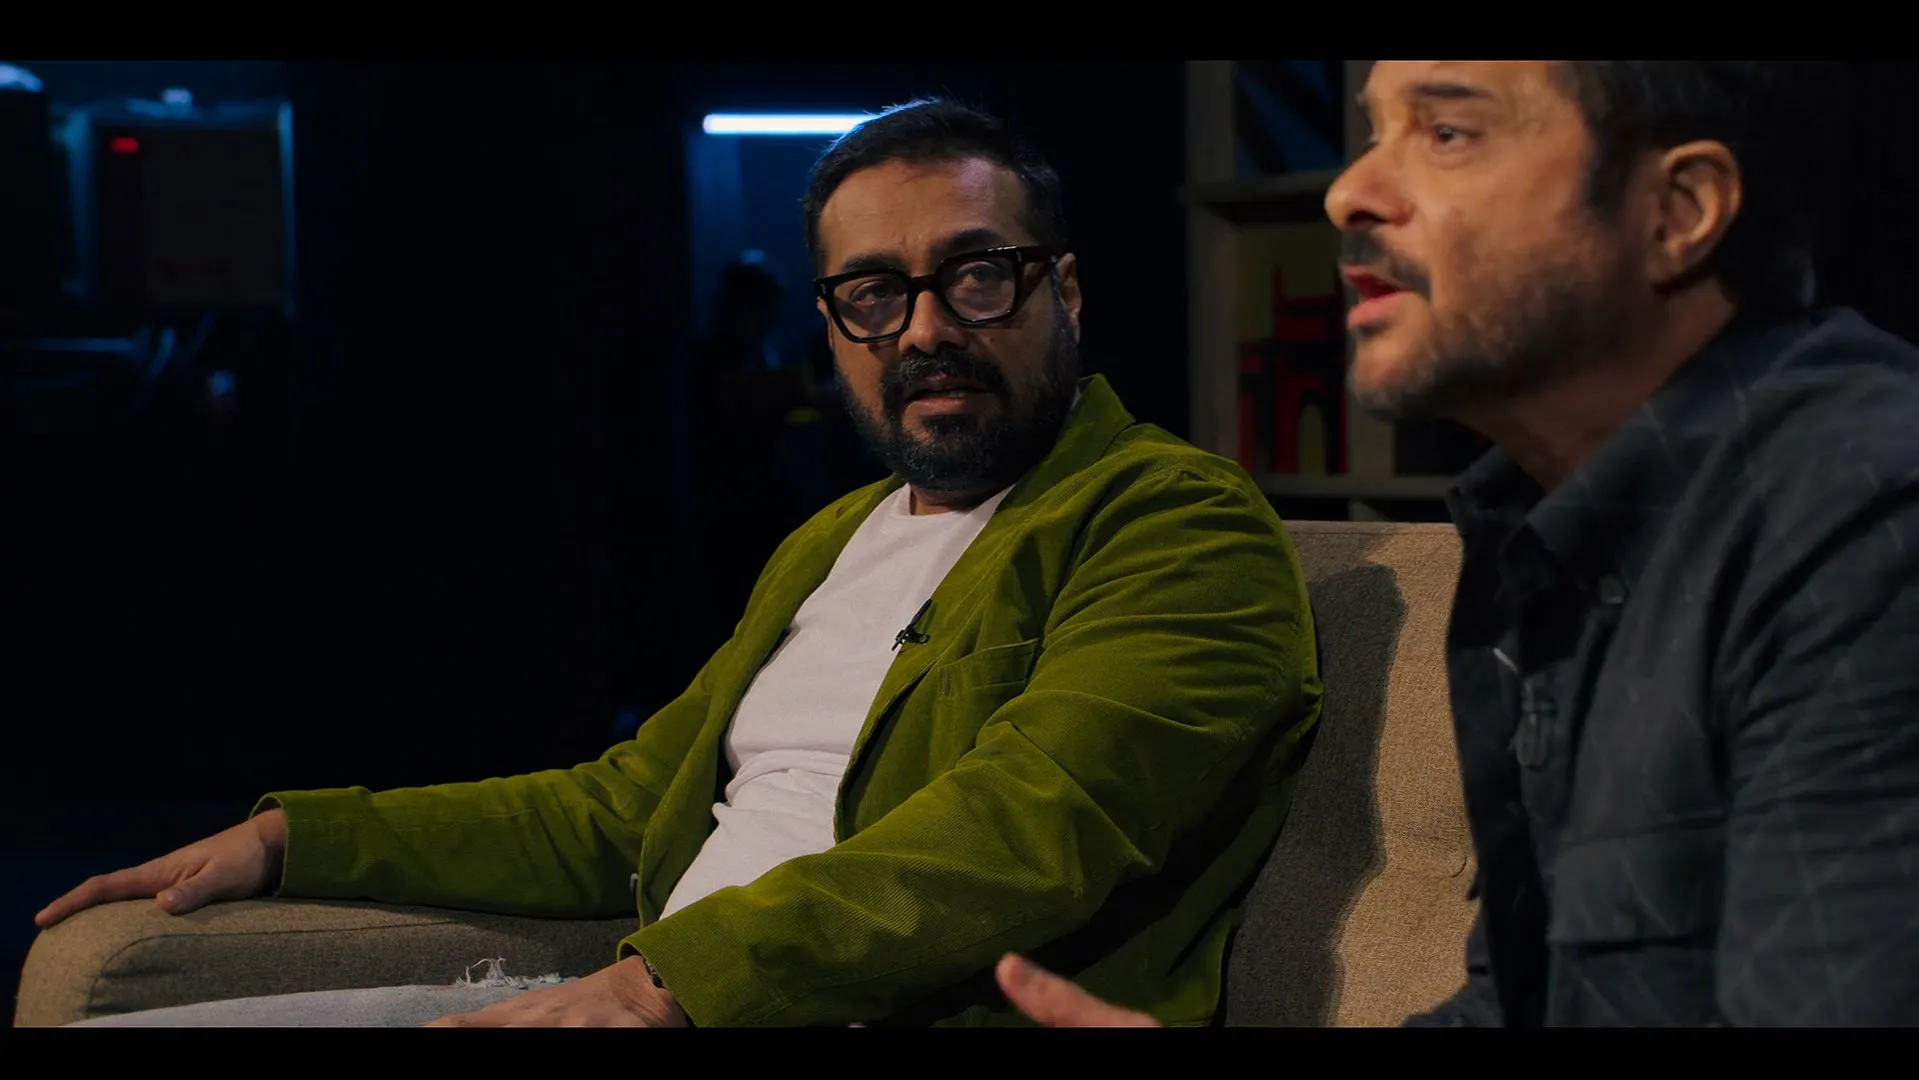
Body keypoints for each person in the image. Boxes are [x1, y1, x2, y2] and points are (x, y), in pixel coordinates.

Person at [33, 98, 1324, 1028]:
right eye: (872, 294)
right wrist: (294, 836)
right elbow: (622, 808)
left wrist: (663, 984)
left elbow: (1026, 833)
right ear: (831, 324)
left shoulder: (1170, 520)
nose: (924, 329)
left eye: (976, 275)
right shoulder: (838, 535)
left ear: (1066, 293)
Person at [994, 59, 1919, 1027]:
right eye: (1374, 131)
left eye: (1446, 134)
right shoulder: (1552, 529)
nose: (1349, 192)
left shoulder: (1866, 525)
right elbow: (1517, 1006)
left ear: (1675, 210)